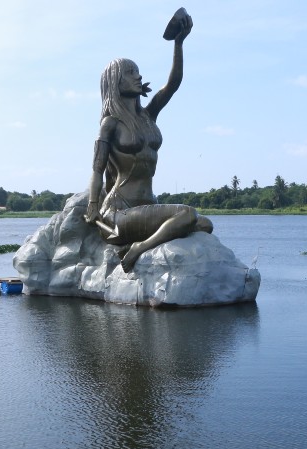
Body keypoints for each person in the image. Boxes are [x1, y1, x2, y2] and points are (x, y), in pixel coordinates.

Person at [82, 10, 213, 274]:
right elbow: (97, 169)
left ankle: (143, 245)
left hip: (146, 208)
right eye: (131, 73)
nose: (138, 77)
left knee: (205, 224)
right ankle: (137, 249)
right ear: (115, 82)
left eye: (138, 72)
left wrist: (178, 43)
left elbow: (172, 84)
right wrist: (93, 205)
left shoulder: (148, 115)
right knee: (187, 215)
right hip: (118, 213)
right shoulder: (110, 123)